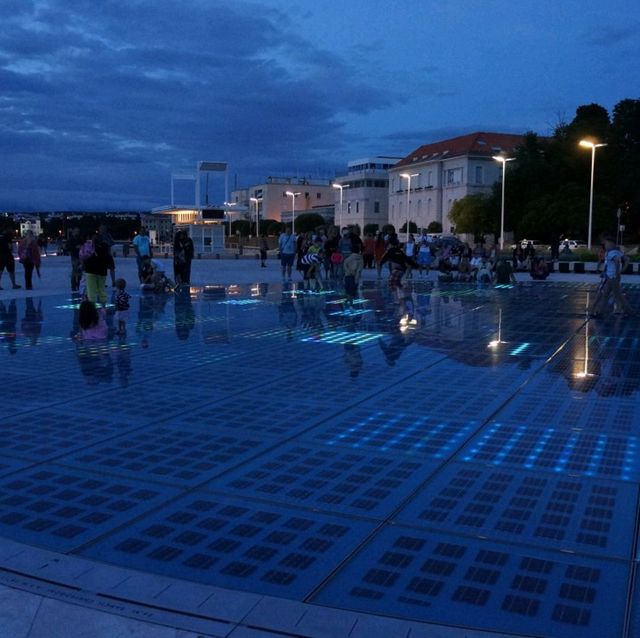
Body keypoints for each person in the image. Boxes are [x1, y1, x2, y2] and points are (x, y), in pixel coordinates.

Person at [589, 234, 635, 318]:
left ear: (611, 244)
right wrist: (622, 270)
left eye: (606, 244)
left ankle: (630, 312)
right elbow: (627, 259)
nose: (605, 246)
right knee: (606, 295)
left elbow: (617, 261)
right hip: (610, 277)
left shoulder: (611, 253)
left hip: (612, 278)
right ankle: (600, 312)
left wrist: (618, 273)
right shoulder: (616, 252)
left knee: (618, 296)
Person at [82, 234, 112, 304]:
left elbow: (84, 257)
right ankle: (103, 305)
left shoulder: (88, 246)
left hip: (90, 270)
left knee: (91, 289)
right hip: (102, 270)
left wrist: (83, 265)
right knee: (101, 289)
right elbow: (108, 257)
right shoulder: (105, 246)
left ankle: (92, 306)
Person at [66, 226, 83, 292]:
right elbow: (68, 247)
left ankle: (78, 284)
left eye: (78, 231)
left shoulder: (80, 238)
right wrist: (75, 247)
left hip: (80, 256)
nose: (77, 233)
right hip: (74, 256)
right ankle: (74, 285)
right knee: (75, 270)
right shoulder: (71, 239)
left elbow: (83, 245)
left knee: (79, 271)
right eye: (76, 231)